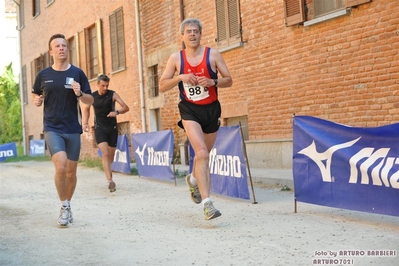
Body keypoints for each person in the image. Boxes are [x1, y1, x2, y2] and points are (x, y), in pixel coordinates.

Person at [159, 18, 233, 220]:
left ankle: (192, 179)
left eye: (195, 31)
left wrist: (212, 81)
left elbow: (229, 80)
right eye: (188, 32)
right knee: (200, 151)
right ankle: (208, 204)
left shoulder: (213, 55)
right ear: (182, 36)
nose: (192, 34)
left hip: (211, 110)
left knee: (204, 155)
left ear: (201, 34)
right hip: (189, 109)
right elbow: (162, 85)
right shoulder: (176, 59)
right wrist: (180, 78)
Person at [32, 33, 94, 227]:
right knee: (61, 166)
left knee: (71, 172)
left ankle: (68, 204)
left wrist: (80, 93)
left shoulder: (77, 73)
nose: (61, 48)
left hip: (72, 128)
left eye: (64, 46)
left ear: (68, 49)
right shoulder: (43, 75)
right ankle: (64, 206)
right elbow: (35, 94)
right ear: (51, 52)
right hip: (52, 127)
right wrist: (36, 100)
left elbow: (90, 100)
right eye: (57, 46)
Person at [82, 74, 129, 192]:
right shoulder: (92, 97)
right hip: (99, 128)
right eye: (103, 85)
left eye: (107, 85)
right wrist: (85, 123)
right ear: (97, 85)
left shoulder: (112, 94)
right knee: (105, 152)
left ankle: (108, 170)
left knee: (110, 156)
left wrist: (116, 112)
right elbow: (86, 109)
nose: (105, 88)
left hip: (112, 128)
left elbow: (126, 107)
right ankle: (110, 181)